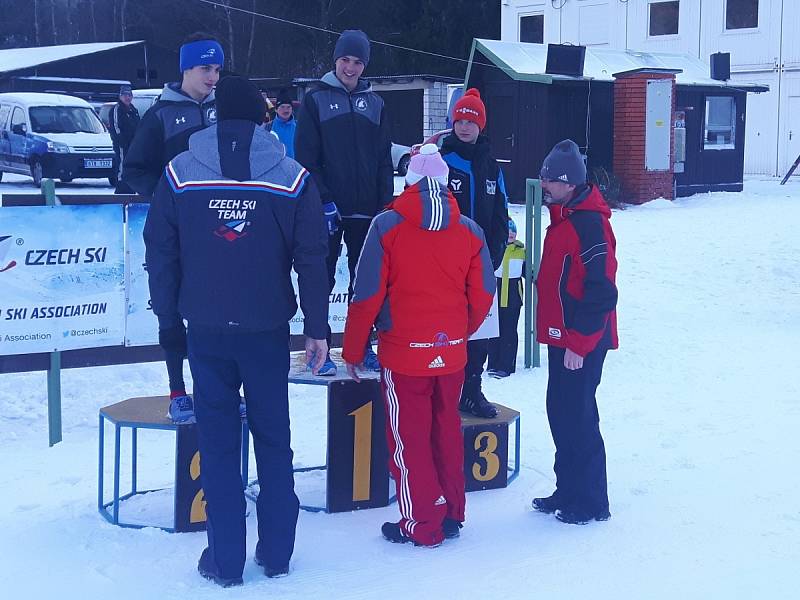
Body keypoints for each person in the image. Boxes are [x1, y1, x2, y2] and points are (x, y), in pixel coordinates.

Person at [143, 76, 329, 586]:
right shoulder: (291, 177)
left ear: (216, 117)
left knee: (220, 446)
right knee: (273, 441)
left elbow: (159, 247)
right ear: (263, 119)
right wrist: (317, 326)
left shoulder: (180, 172)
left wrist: (167, 315)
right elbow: (313, 256)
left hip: (205, 331)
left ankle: (225, 562)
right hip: (266, 331)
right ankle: (277, 554)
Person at [342, 143, 495, 547]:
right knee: (445, 430)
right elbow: (483, 292)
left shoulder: (386, 225)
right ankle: (450, 514)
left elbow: (366, 293)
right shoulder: (470, 229)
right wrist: (461, 330)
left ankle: (421, 523)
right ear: (446, 184)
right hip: (451, 352)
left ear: (407, 181)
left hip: (404, 353)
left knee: (409, 439)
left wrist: (354, 349)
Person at [123, 32, 225, 422]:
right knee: (169, 311)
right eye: (205, 68)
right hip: (170, 233)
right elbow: (134, 169)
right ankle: (177, 389)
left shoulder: (223, 110)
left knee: (210, 311)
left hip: (214, 231)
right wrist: (169, 200)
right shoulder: (160, 114)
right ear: (186, 68)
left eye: (216, 69)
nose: (212, 76)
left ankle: (210, 388)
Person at [295, 29, 394, 376]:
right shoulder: (315, 99)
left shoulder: (377, 103)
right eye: (345, 60)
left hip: (367, 210)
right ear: (335, 59)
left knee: (365, 281)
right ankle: (317, 345)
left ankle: (361, 345)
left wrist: (386, 202)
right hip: (327, 209)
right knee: (320, 277)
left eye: (357, 62)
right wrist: (322, 199)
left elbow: (384, 158)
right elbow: (306, 156)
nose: (350, 68)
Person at [530, 139, 618, 525]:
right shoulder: (564, 218)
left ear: (568, 182)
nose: (543, 184)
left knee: (580, 417)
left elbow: (602, 291)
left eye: (549, 179)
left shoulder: (590, 225)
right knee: (560, 413)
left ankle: (592, 501)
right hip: (561, 338)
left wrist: (580, 343)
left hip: (582, 341)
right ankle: (567, 489)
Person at [440, 87, 509, 418]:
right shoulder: (440, 161)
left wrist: (493, 256)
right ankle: (443, 391)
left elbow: (501, 212)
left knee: (479, 333)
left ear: (481, 125)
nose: (465, 126)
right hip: (444, 269)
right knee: (445, 333)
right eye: (460, 120)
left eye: (471, 121)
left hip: (481, 268)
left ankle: (471, 390)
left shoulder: (492, 166)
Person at [487, 218, 525, 378]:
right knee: (494, 330)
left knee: (509, 331)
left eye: (513, 232)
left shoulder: (521, 250)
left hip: (513, 295)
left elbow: (528, 271)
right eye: (508, 231)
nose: (511, 234)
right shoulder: (496, 248)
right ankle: (493, 362)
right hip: (496, 293)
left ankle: (506, 365)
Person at [108, 84, 140, 194]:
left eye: (129, 95)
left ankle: (130, 187)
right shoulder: (116, 109)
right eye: (125, 95)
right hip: (122, 145)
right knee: (122, 164)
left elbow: (138, 126)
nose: (127, 97)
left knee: (132, 166)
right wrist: (121, 141)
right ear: (120, 96)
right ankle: (121, 188)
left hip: (133, 145)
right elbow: (116, 127)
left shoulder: (133, 110)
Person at [268, 89, 296, 158]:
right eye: (282, 107)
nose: (286, 110)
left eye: (288, 107)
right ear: (276, 109)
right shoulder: (268, 127)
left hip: (296, 166)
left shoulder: (300, 127)